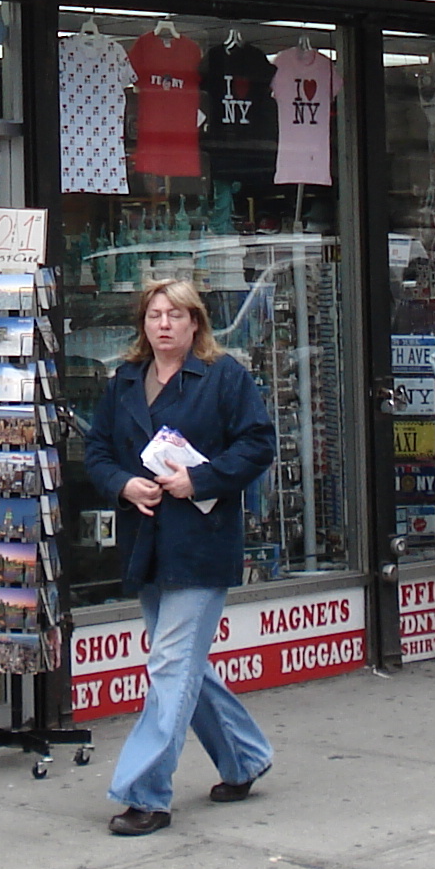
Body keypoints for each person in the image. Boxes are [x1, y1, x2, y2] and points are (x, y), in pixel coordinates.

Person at [80, 277, 277, 836]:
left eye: (176, 315)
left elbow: (258, 443)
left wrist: (202, 478)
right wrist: (124, 484)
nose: (164, 324)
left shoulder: (224, 377)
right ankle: (244, 757)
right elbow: (96, 450)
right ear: (143, 325)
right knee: (183, 666)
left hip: (201, 542)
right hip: (146, 543)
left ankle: (145, 792)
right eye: (155, 315)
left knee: (169, 664)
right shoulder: (122, 382)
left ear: (196, 324)